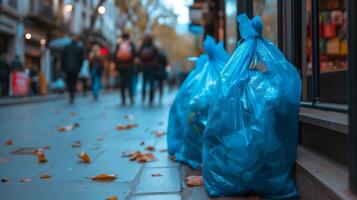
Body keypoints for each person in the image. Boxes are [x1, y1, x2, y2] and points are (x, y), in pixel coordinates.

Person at [114, 33, 136, 106]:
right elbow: (135, 55)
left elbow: (115, 56)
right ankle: (131, 97)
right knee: (130, 82)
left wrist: (117, 67)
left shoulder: (119, 45)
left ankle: (123, 99)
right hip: (129, 67)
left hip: (121, 67)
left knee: (122, 83)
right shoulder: (131, 45)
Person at [61, 35, 84, 104]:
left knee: (69, 82)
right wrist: (79, 68)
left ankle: (71, 94)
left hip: (67, 68)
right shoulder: (79, 48)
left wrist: (63, 67)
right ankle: (72, 95)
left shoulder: (66, 47)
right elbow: (81, 60)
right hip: (75, 69)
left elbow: (63, 58)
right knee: (73, 82)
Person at [138, 34, 159, 106]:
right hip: (152, 67)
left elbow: (138, 55)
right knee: (151, 83)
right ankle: (151, 99)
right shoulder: (154, 47)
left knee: (144, 83)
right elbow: (158, 56)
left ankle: (143, 97)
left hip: (144, 67)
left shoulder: (142, 46)